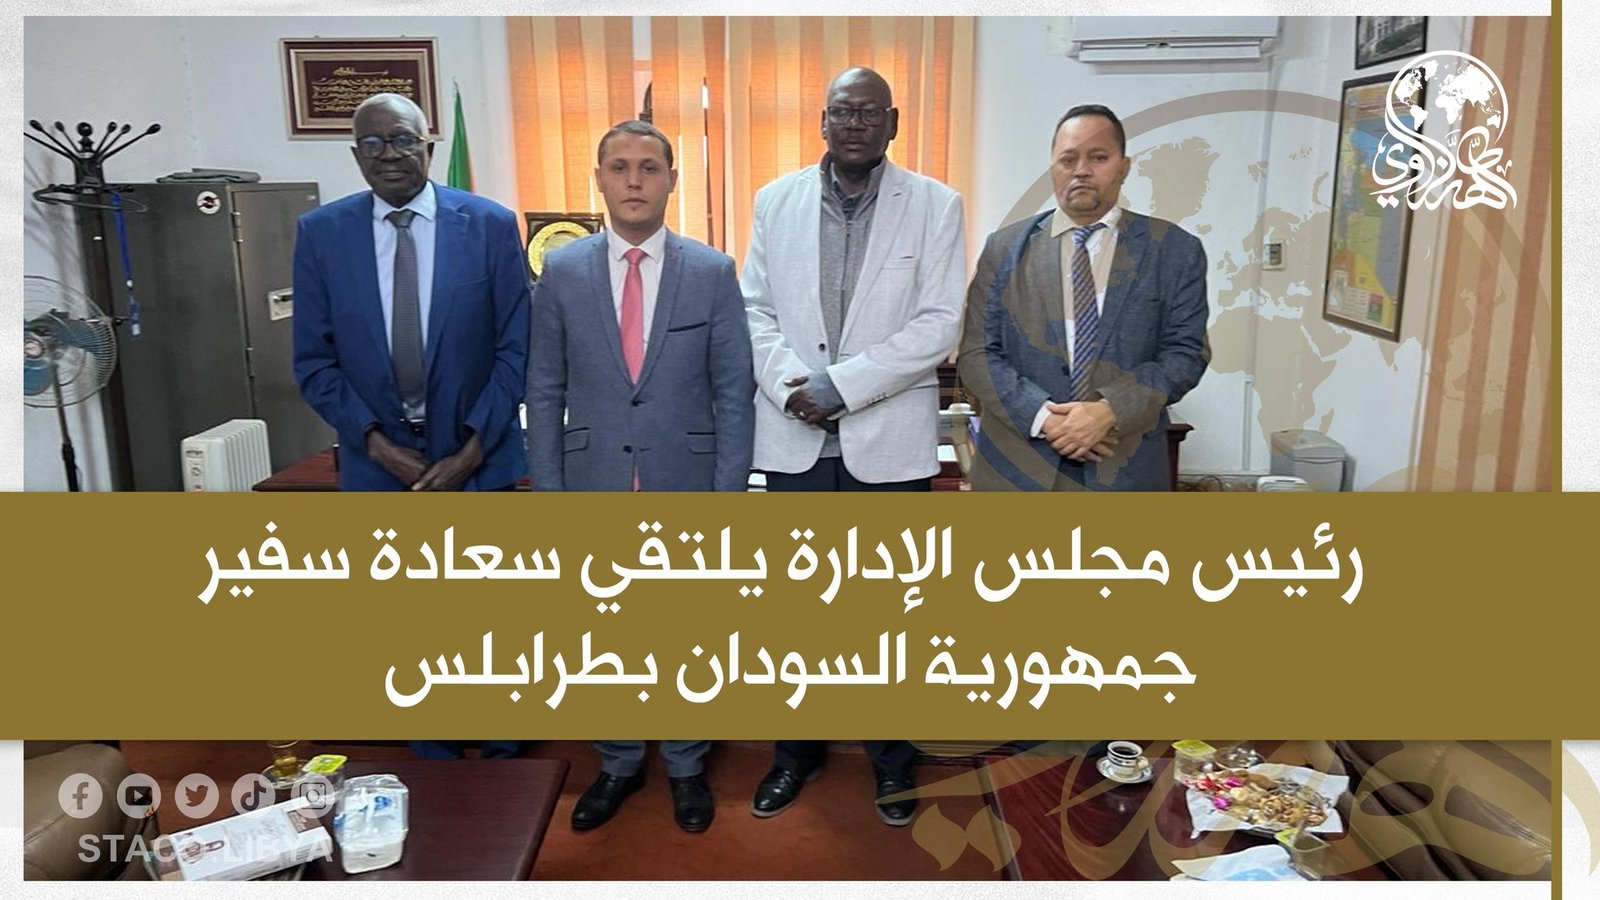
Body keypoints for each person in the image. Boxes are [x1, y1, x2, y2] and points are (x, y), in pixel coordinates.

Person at [740, 66, 965, 827]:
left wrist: (841, 385)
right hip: (795, 440)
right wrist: (791, 387)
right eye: (843, 111)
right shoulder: (775, 200)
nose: (856, 124)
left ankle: (892, 764)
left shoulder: (934, 204)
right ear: (823, 121)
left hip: (888, 445)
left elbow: (940, 322)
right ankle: (793, 755)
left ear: (893, 123)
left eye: (870, 113)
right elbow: (754, 310)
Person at [526, 120, 754, 834]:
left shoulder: (711, 271)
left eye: (649, 168)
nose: (633, 180)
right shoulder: (563, 271)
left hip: (686, 482)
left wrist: (728, 497)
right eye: (619, 167)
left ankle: (686, 765)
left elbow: (733, 392)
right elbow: (543, 390)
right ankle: (619, 761)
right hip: (591, 481)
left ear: (671, 181)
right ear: (598, 178)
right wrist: (549, 495)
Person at [957, 104, 1209, 492]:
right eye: (1068, 159)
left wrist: (1111, 410)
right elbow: (976, 353)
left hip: (1124, 468)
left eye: (1098, 158)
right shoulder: (1003, 248)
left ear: (1124, 167)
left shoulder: (1174, 250)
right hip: (1017, 469)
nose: (1081, 170)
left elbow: (1186, 353)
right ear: (1052, 168)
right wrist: (1045, 418)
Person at [293, 92, 530, 493]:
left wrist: (472, 453)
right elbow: (314, 362)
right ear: (357, 155)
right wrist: (377, 447)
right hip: (375, 470)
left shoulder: (490, 226)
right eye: (372, 143)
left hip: (481, 466)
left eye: (403, 139)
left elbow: (517, 349)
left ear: (428, 149)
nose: (388, 154)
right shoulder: (321, 234)